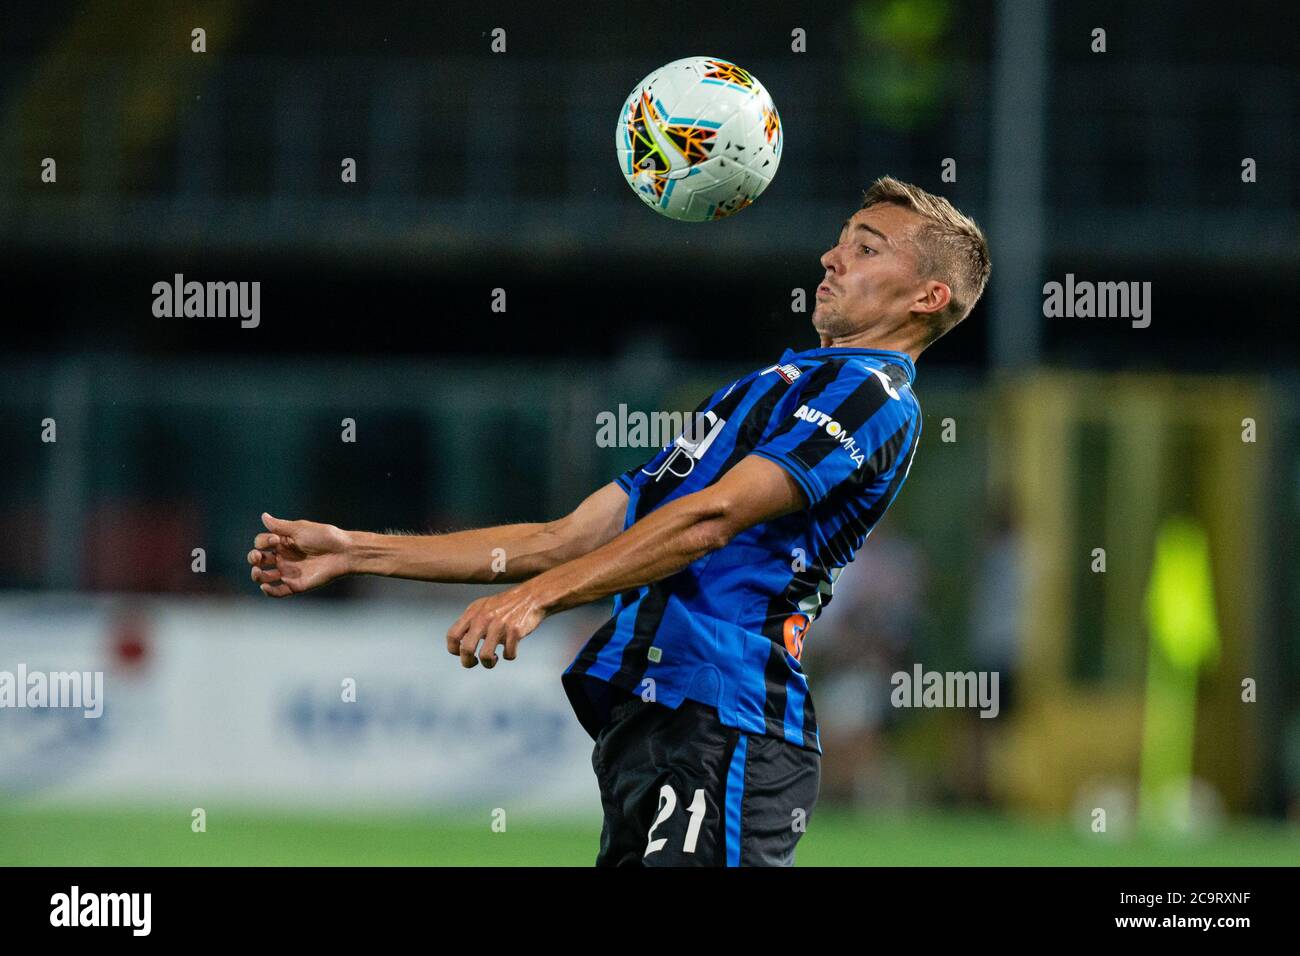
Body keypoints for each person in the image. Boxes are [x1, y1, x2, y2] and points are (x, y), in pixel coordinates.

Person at [247, 176, 991, 866]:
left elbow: (711, 520)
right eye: (841, 239)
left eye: (865, 248)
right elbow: (564, 536)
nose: (831, 257)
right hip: (651, 721)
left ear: (926, 297)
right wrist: (356, 551)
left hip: (726, 722)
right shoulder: (759, 392)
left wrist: (539, 596)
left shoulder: (873, 398)